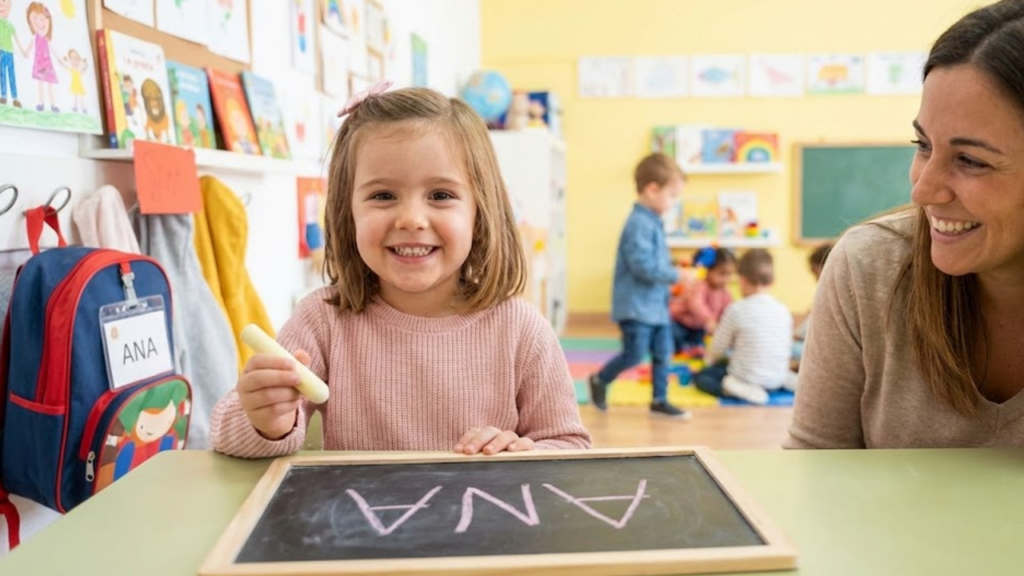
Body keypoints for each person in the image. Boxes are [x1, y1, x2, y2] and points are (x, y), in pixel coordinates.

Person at [209, 84, 591, 457]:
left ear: (480, 211)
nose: (411, 219)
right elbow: (226, 432)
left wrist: (524, 453)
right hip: (358, 520)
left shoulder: (522, 330)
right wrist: (265, 420)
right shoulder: (322, 320)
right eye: (383, 196)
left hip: (487, 520)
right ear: (348, 212)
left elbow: (569, 446)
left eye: (441, 195)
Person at [787, 0, 1024, 449]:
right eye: (922, 144)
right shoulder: (868, 269)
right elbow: (814, 473)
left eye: (970, 160)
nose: (921, 190)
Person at [588, 153, 689, 419]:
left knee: (663, 353)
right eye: (672, 195)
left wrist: (673, 274)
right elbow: (642, 266)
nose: (674, 202)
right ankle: (600, 379)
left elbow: (655, 261)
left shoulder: (653, 221)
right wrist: (675, 275)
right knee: (634, 354)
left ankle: (659, 399)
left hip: (656, 306)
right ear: (652, 189)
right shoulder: (638, 223)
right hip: (636, 307)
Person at [693, 250, 796, 405]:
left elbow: (717, 348)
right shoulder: (783, 310)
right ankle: (782, 381)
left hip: (746, 378)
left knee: (704, 377)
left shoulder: (736, 309)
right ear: (771, 281)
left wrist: (708, 361)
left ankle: (739, 388)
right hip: (776, 377)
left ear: (742, 280)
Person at [670, 247, 736, 354]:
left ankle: (691, 347)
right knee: (674, 334)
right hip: (680, 323)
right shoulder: (700, 286)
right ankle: (681, 347)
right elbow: (696, 304)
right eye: (722, 274)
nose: (726, 279)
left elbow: (728, 309)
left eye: (729, 275)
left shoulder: (725, 293)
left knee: (700, 341)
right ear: (709, 270)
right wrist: (709, 319)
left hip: (698, 328)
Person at [791, 243, 831, 367]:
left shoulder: (830, 294)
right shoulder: (826, 293)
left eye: (815, 273)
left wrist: (795, 334)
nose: (815, 280)